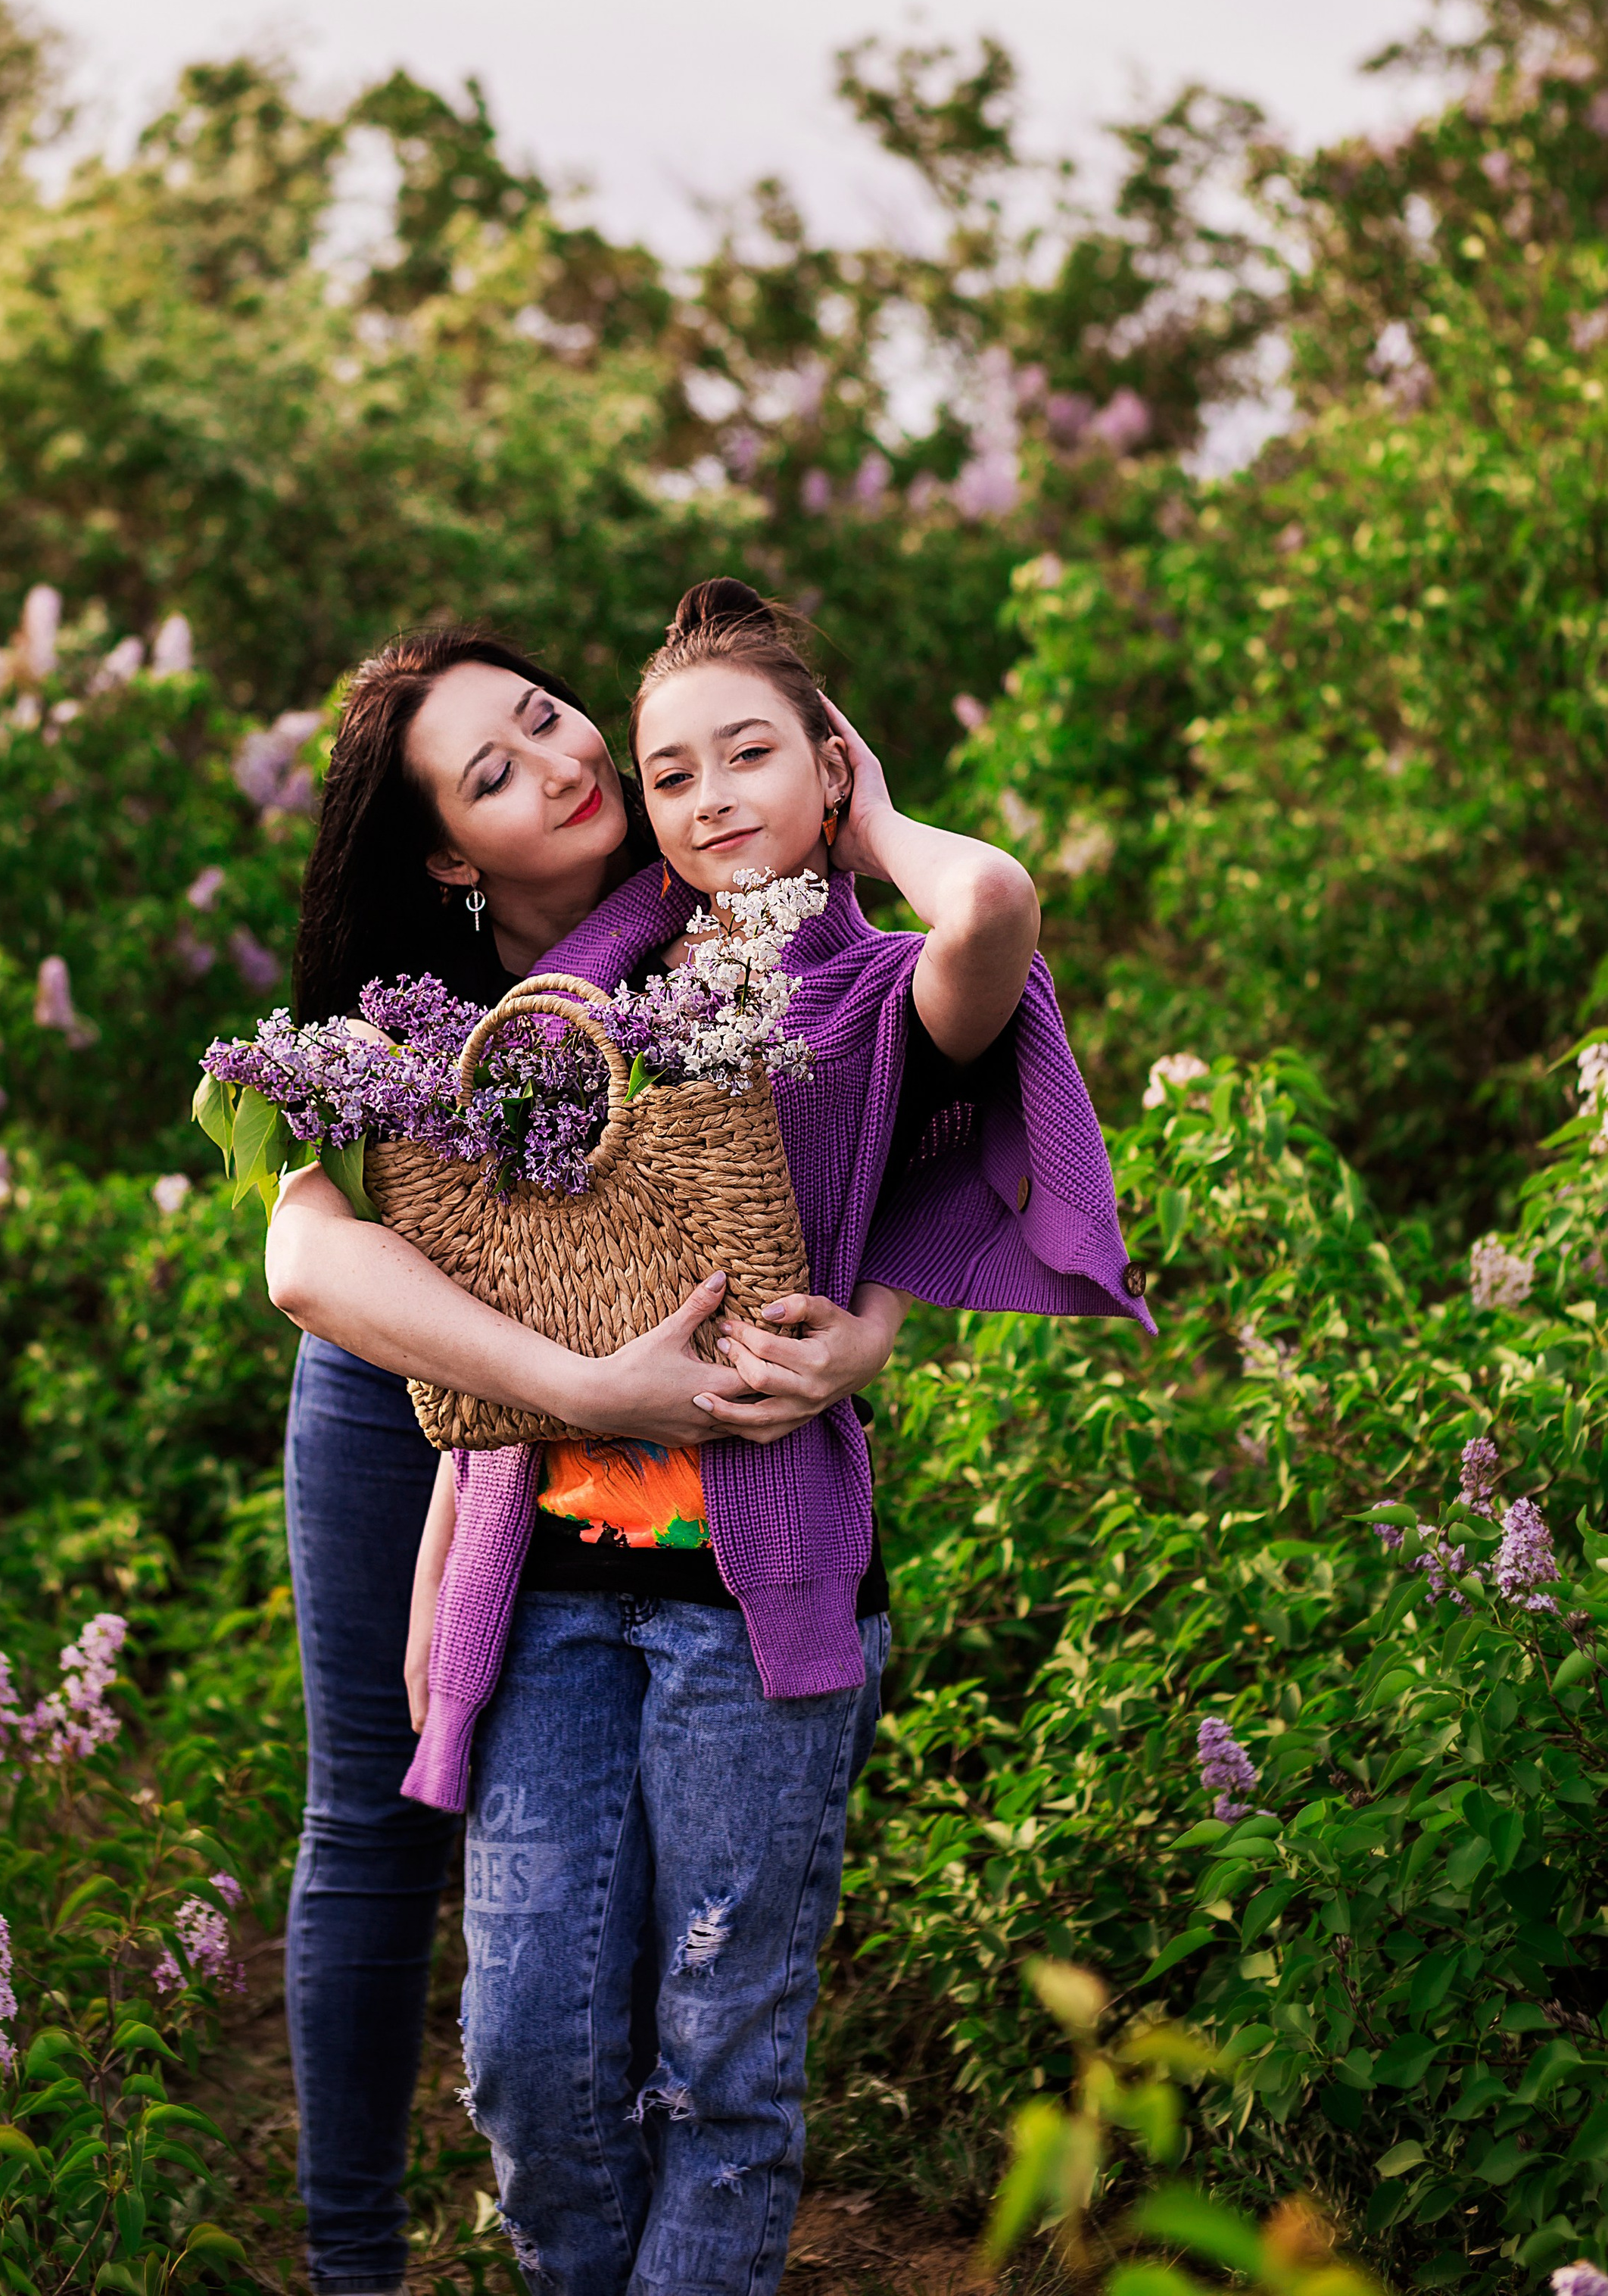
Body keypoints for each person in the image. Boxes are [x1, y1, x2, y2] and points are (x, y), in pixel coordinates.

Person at [391, 581, 1149, 2296]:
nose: (711, 794)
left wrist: (878, 826)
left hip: (754, 1607)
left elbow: (997, 909)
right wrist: (444, 1566)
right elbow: (501, 1309)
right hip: (547, 1592)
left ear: (824, 769)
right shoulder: (572, 1014)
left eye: (752, 756)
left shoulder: (872, 997)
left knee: (718, 2066)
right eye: (672, 772)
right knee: (528, 2053)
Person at [279, 624, 744, 2296]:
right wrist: (568, 1387)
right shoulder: (411, 1012)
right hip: (404, 1393)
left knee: (600, 1814)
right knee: (372, 1818)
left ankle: (596, 2220)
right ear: (441, 852)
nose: (561, 766)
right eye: (493, 773)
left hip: (630, 1434)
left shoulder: (723, 923)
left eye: (547, 720)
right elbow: (309, 1263)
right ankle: (353, 2267)